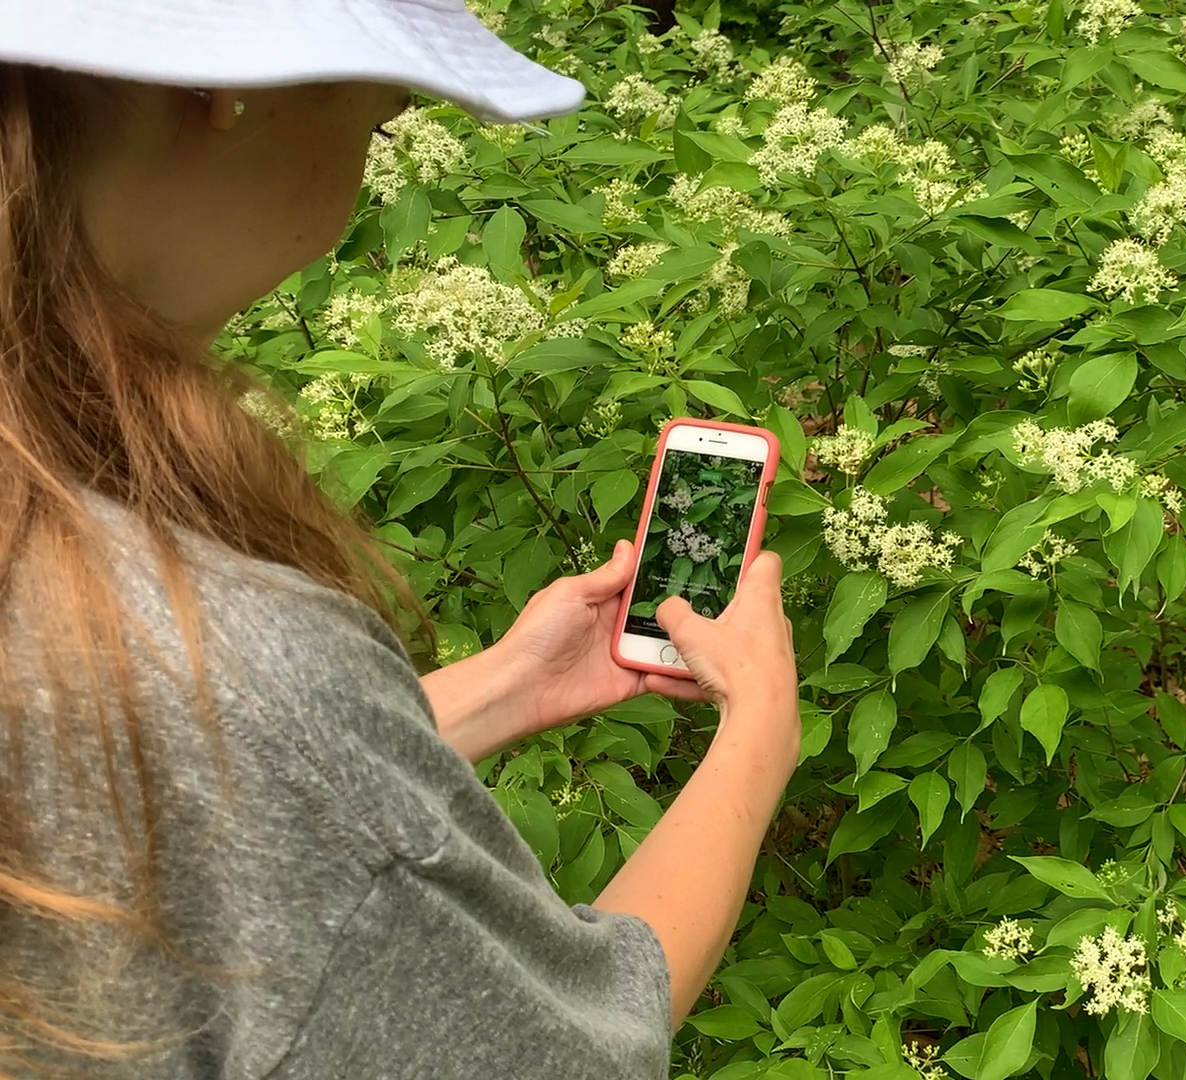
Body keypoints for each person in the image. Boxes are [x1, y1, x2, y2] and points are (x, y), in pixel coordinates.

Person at [0, 2, 801, 1076]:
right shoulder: (227, 666)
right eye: (382, 121)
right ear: (226, 92)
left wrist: (501, 687)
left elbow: (176, 792)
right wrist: (758, 730)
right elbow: (578, 1051)